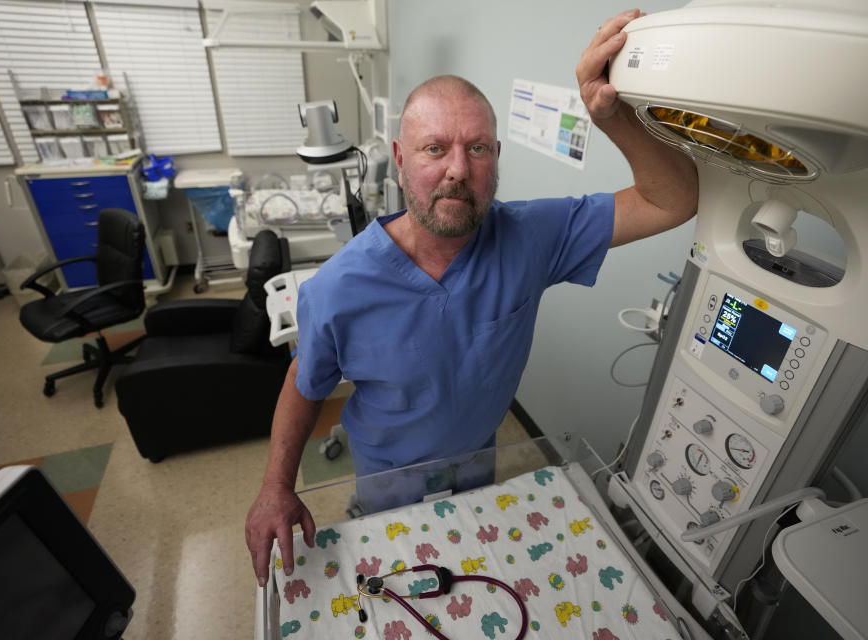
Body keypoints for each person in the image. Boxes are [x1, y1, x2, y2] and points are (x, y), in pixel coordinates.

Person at [245, 8, 698, 588]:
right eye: (435, 149)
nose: (459, 169)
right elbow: (304, 383)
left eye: (478, 148)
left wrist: (615, 119)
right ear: (401, 158)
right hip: (389, 485)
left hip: (478, 473)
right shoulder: (339, 288)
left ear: (497, 159)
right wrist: (275, 488)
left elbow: (673, 201)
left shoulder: (531, 238)